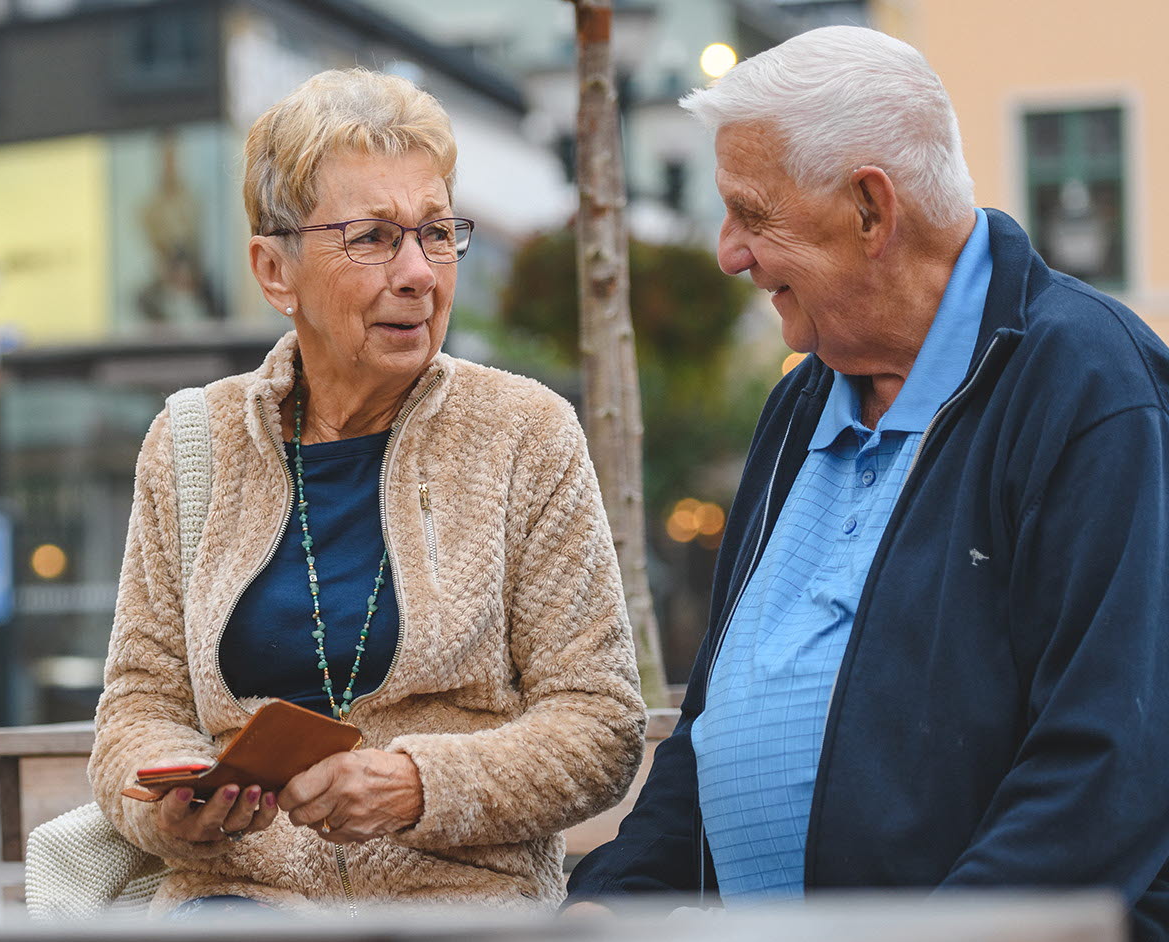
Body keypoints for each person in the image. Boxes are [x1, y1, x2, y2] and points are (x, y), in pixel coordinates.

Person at [566, 25, 1169, 936]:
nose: (730, 252)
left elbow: (1107, 761)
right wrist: (608, 906)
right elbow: (712, 731)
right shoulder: (804, 401)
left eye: (753, 214)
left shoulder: (1089, 386)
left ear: (870, 211)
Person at [88, 68, 645, 916]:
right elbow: (137, 710)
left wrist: (415, 786)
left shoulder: (524, 434)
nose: (419, 272)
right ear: (276, 272)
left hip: (457, 904)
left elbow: (600, 724)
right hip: (237, 902)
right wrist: (173, 808)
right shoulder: (191, 443)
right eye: (375, 238)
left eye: (436, 233)